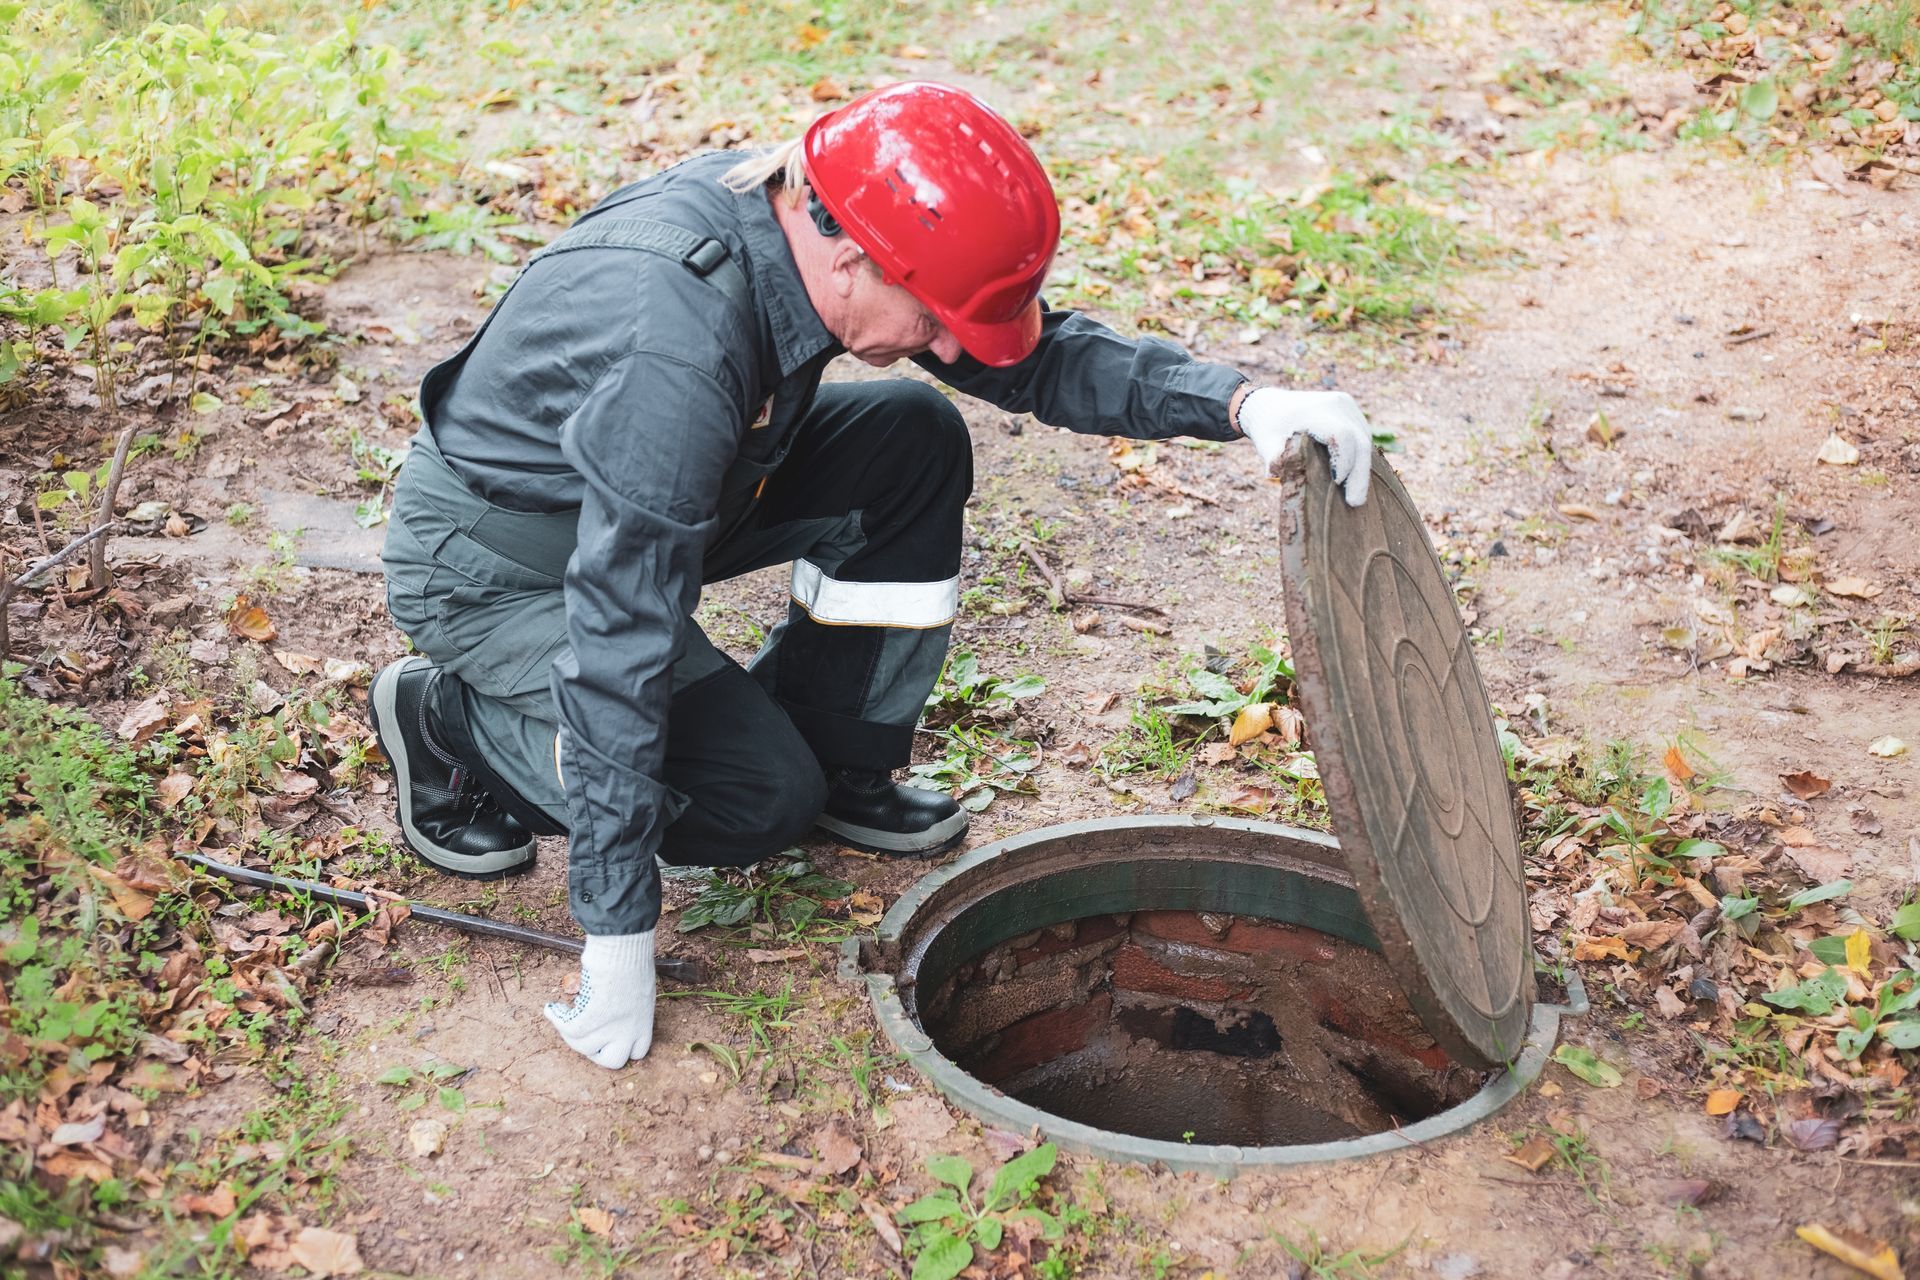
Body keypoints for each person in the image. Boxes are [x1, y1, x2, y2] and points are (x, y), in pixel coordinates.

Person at [370, 81, 1377, 1071]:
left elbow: (1029, 362)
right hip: (506, 563)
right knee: (752, 797)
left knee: (912, 437)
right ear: (850, 254)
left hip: (679, 490)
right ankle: (446, 725)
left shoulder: (814, 238)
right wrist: (618, 926)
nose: (945, 346)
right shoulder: (674, 346)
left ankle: (838, 756)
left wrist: (1242, 403)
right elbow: (622, 629)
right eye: (936, 318)